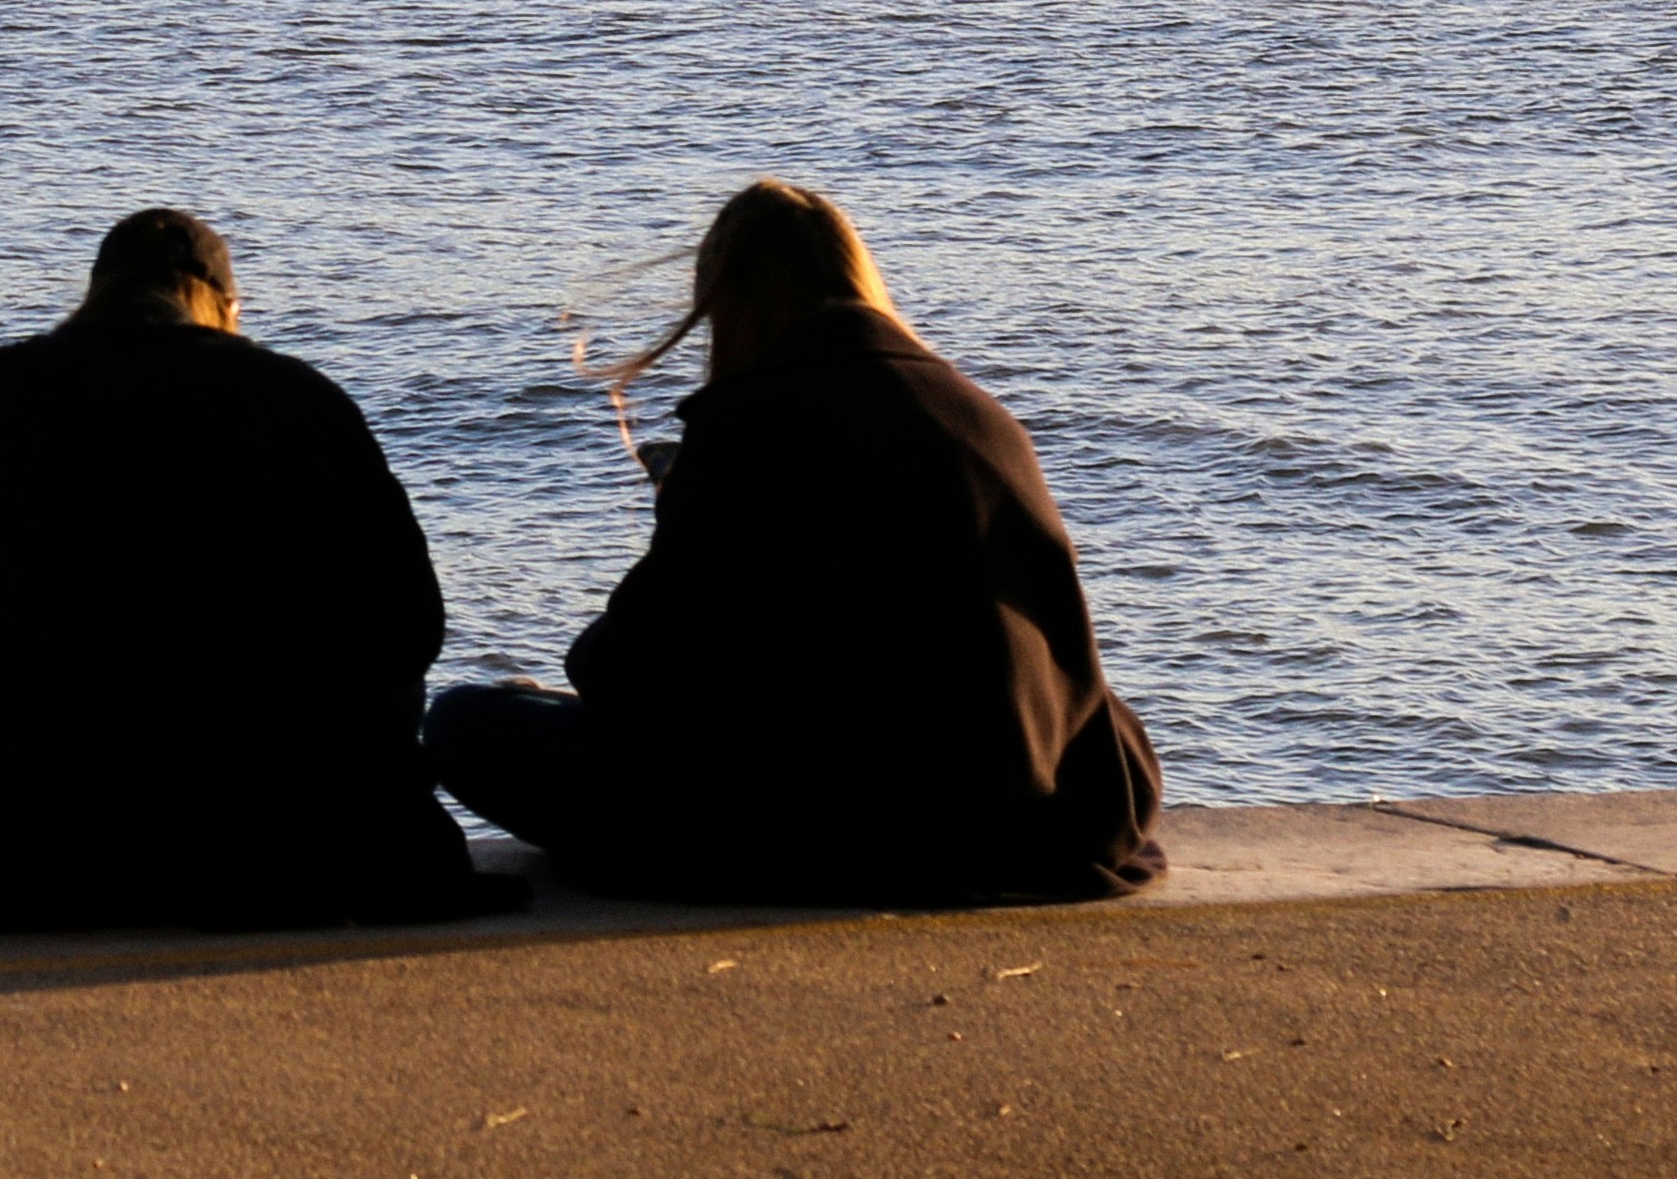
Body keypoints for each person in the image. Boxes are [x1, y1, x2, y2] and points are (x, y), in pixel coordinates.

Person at [428, 179, 1163, 904]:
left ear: (728, 303)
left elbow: (632, 670)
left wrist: (678, 515)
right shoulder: (981, 416)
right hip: (1019, 811)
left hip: (819, 822)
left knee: (465, 721)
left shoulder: (748, 426)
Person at [0, 207, 501, 929]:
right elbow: (410, 627)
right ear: (228, 309)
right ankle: (341, 848)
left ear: (94, 295)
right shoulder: (300, 396)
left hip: (38, 837)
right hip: (265, 838)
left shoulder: (1, 388)